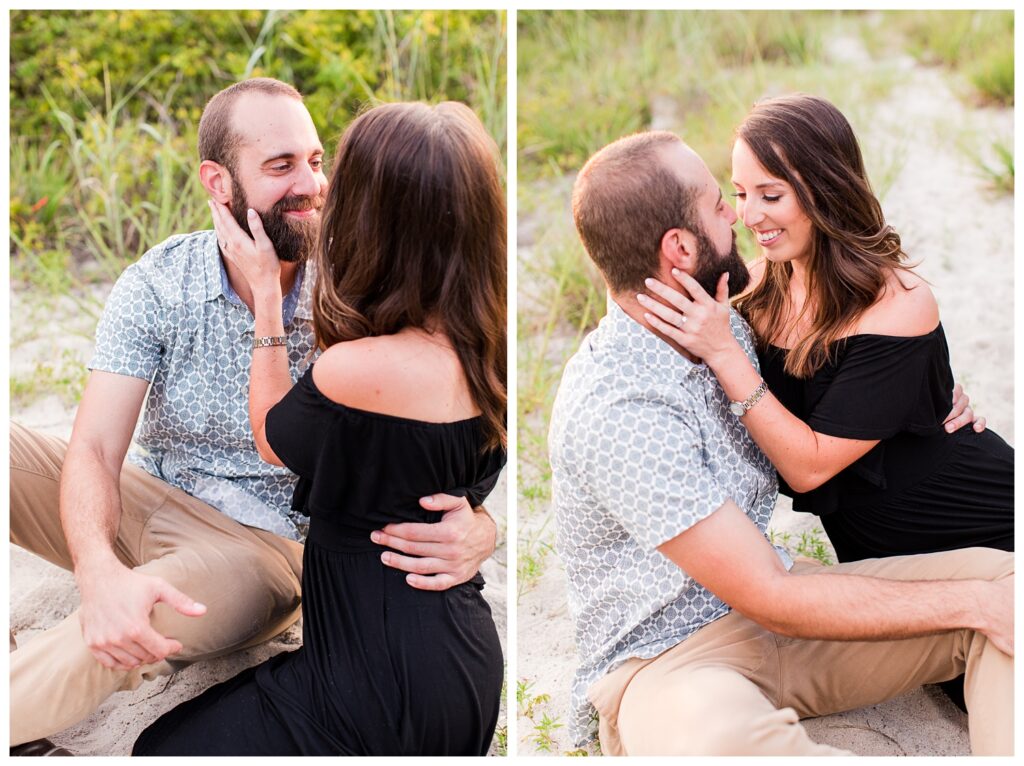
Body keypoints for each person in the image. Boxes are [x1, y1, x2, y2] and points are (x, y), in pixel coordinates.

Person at [10, 79, 498, 755]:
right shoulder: (159, 282)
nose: (312, 184)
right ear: (219, 181)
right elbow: (93, 447)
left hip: (259, 550)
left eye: (317, 161)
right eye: (281, 167)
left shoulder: (363, 283)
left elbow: (449, 422)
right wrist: (95, 569)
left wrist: (480, 523)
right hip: (153, 496)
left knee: (138, 615)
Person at [550, 130, 1013, 756]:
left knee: (1009, 588)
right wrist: (977, 603)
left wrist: (925, 387)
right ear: (679, 247)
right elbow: (768, 591)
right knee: (736, 747)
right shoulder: (620, 410)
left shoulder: (728, 318)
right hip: (671, 657)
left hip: (792, 606)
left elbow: (843, 343)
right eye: (723, 201)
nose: (738, 215)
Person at [641, 93, 1013, 564]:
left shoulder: (899, 303)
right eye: (740, 192)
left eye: (770, 195)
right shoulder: (750, 290)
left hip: (978, 522)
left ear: (827, 190)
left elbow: (807, 468)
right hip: (878, 555)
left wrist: (724, 352)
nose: (749, 216)